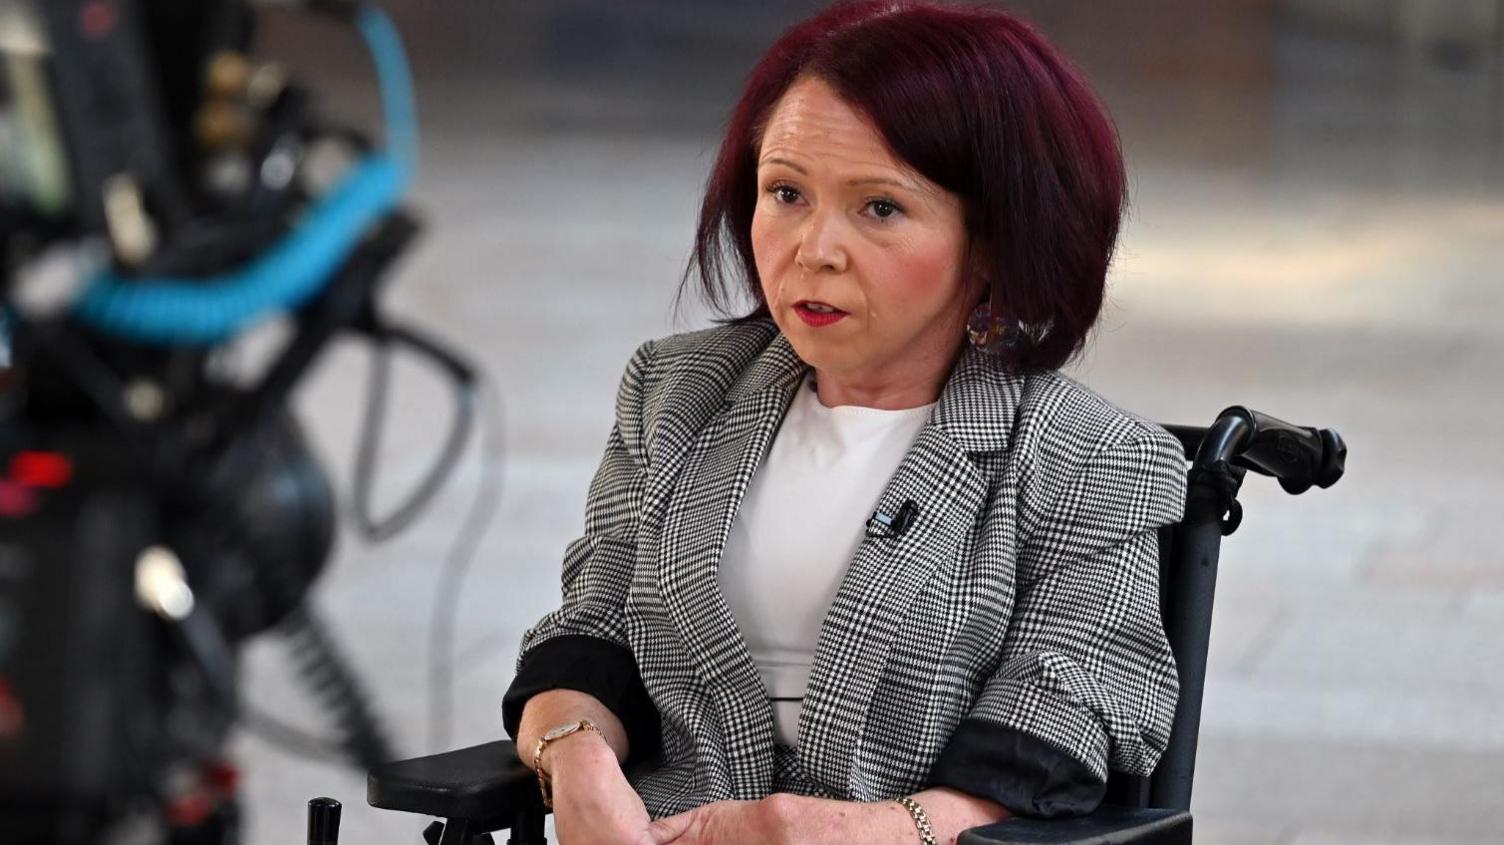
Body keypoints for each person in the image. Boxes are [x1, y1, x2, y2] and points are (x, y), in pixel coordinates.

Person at [501, 2, 1187, 843]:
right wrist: (576, 761)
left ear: (995, 243)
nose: (813, 248)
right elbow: (593, 627)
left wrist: (858, 830)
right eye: (786, 192)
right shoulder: (675, 391)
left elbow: (1076, 697)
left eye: (880, 209)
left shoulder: (1090, 456)